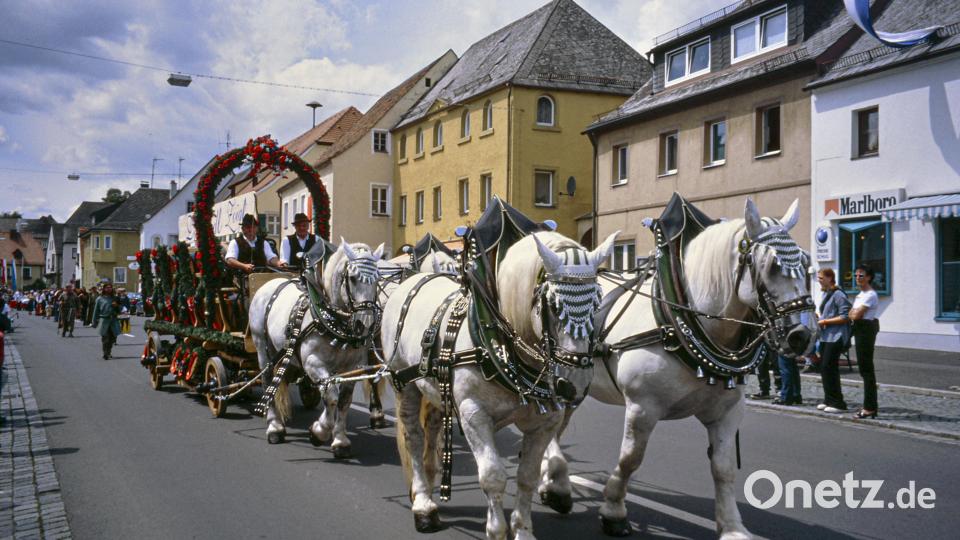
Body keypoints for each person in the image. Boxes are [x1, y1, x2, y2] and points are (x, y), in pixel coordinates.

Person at [815, 268, 852, 413]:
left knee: (829, 367)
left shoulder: (838, 294)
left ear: (830, 278)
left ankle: (838, 403)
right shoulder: (827, 294)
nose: (819, 281)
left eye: (821, 278)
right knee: (824, 368)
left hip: (836, 336)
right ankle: (828, 399)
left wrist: (825, 321)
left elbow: (845, 316)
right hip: (826, 336)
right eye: (818, 278)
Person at [849, 264, 880, 419]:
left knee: (867, 371)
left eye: (861, 275)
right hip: (860, 330)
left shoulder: (870, 295)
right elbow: (851, 313)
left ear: (868, 277)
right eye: (856, 275)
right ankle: (870, 405)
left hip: (865, 331)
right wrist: (854, 313)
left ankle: (870, 408)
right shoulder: (860, 295)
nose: (858, 278)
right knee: (864, 370)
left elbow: (856, 315)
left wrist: (855, 313)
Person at [92, 281, 121, 360]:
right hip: (104, 320)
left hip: (113, 321)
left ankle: (109, 352)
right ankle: (105, 353)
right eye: (107, 287)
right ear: (104, 289)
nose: (109, 289)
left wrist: (117, 306)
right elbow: (96, 311)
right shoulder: (99, 299)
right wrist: (94, 322)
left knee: (112, 338)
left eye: (110, 287)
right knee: (105, 338)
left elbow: (120, 310)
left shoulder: (115, 298)